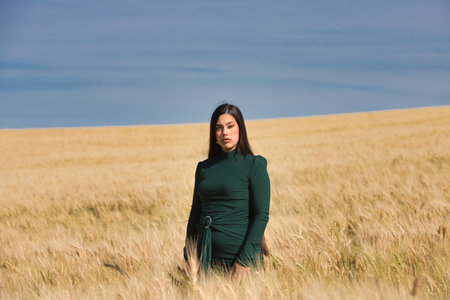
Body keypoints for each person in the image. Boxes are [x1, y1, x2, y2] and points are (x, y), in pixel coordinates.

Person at [184, 103, 270, 278]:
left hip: (240, 260)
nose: (225, 133)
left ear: (240, 129)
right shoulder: (204, 168)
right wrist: (189, 254)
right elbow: (196, 212)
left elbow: (261, 214)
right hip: (205, 259)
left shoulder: (254, 165)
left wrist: (244, 260)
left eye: (230, 126)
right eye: (219, 128)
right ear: (213, 133)